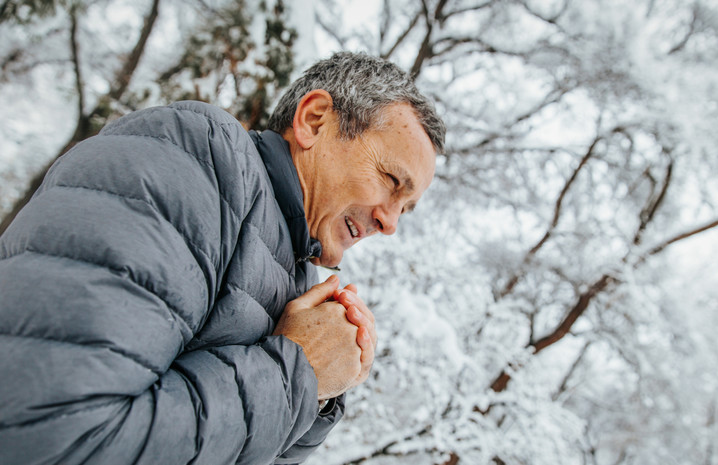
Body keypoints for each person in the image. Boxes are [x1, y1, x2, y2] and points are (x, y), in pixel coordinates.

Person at [0, 52, 445, 464]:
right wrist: (295, 368)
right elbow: (53, 433)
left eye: (405, 209)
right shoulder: (196, 160)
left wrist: (320, 390)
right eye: (390, 180)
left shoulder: (293, 279)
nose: (390, 223)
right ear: (313, 120)